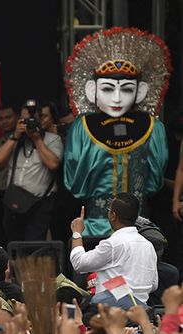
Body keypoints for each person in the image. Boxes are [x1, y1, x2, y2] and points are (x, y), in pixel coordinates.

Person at [64, 27, 170, 237]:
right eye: (108, 89)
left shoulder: (152, 127)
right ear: (91, 90)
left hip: (138, 227)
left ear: (140, 92)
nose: (117, 98)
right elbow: (75, 181)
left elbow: (155, 180)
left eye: (127, 89)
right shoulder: (83, 127)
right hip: (97, 226)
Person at [70, 193, 158, 307]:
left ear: (112, 215)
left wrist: (77, 232)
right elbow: (153, 284)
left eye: (108, 210)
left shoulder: (113, 244)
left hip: (112, 314)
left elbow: (79, 263)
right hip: (141, 313)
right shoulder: (148, 246)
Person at [0, 100, 63, 242]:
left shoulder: (52, 139)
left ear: (40, 120)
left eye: (31, 120)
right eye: (24, 120)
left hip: (39, 204)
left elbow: (53, 164)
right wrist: (15, 136)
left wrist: (37, 139)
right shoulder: (14, 139)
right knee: (13, 245)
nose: (28, 124)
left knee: (34, 247)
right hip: (13, 202)